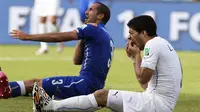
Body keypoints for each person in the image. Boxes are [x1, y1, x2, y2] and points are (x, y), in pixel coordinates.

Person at [31, 15, 183, 112]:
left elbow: (143, 78)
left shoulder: (152, 45)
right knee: (104, 97)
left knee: (102, 95)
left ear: (143, 33)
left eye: (131, 34)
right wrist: (133, 59)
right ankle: (51, 106)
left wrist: (137, 56)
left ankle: (50, 107)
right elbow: (147, 85)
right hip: (159, 104)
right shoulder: (162, 44)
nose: (130, 39)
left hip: (155, 105)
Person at [4, 2, 113, 101]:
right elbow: (76, 60)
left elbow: (58, 37)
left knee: (34, 84)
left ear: (100, 16)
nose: (86, 12)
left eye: (91, 10)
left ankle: (3, 89)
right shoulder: (105, 34)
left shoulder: (92, 28)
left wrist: (28, 37)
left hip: (84, 84)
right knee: (40, 90)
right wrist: (82, 38)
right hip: (93, 87)